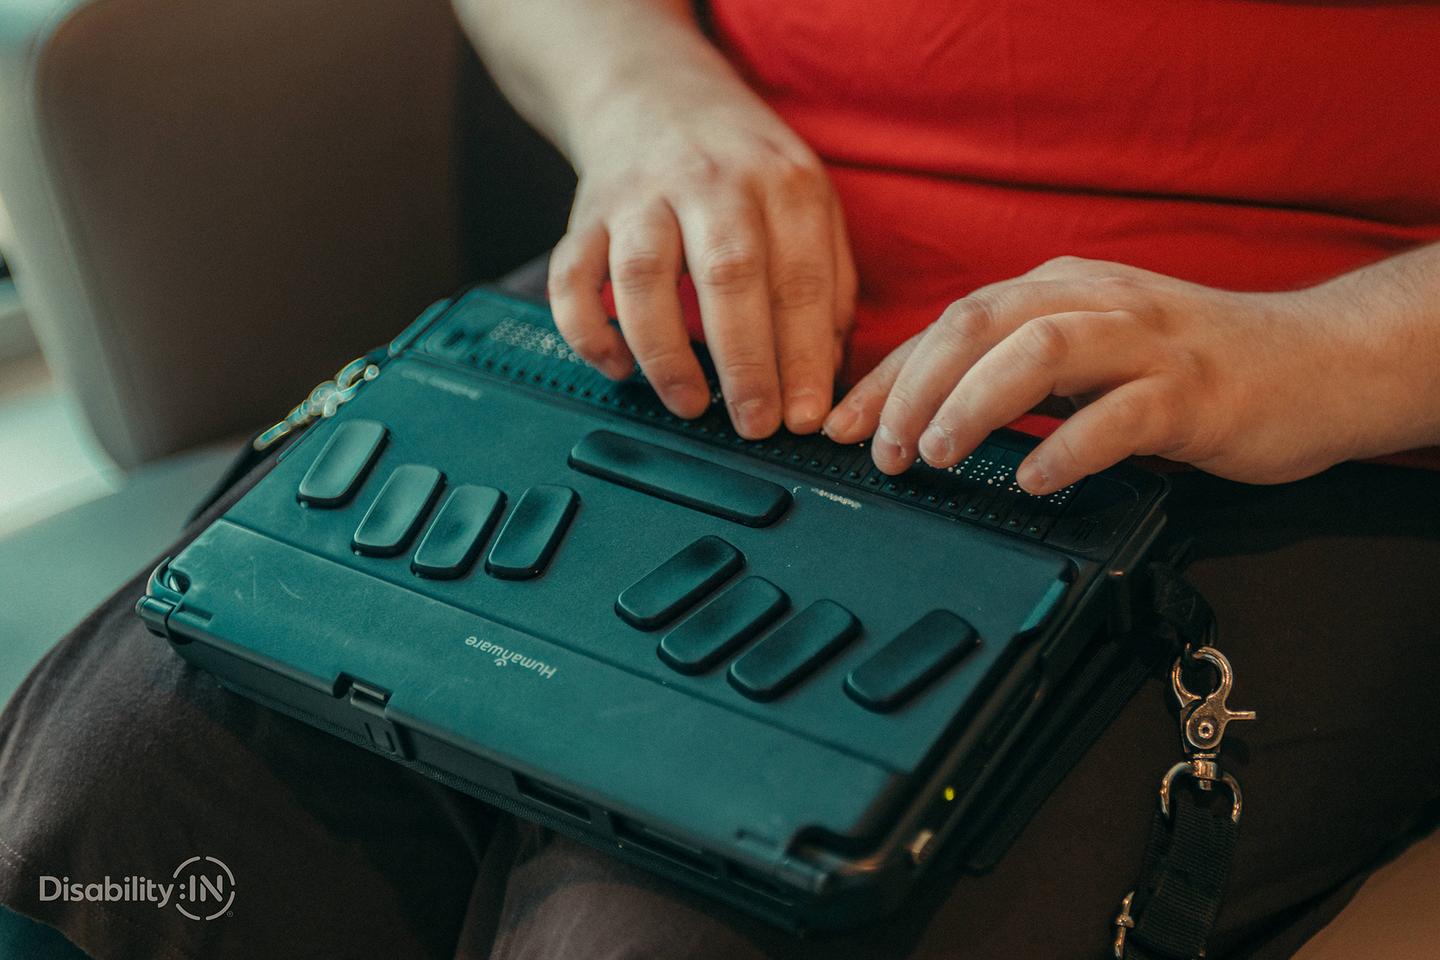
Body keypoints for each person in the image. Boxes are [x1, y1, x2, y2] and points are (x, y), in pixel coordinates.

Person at [1, 2, 1438, 958]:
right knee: (113, 809)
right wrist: (649, 99)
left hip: (1261, 410)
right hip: (699, 303)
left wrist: (1321, 348)